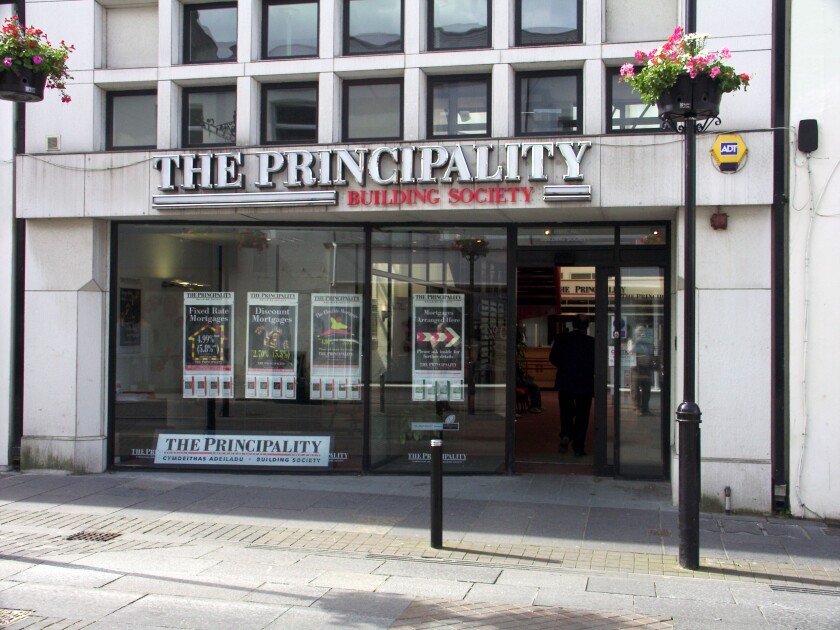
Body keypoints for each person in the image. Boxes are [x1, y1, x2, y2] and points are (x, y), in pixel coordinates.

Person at [549, 314, 595, 456]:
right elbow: (596, 363)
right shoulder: (592, 342)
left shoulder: (561, 339)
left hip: (565, 382)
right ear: (587, 327)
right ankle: (578, 447)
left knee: (566, 411)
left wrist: (564, 367)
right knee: (583, 415)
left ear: (572, 325)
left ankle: (566, 433)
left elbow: (553, 358)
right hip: (584, 383)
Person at [628, 324, 654, 415]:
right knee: (635, 389)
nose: (641, 333)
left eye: (642, 331)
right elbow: (630, 351)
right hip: (636, 368)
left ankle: (645, 408)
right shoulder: (632, 341)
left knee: (646, 389)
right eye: (639, 332)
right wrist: (637, 341)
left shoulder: (648, 342)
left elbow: (651, 352)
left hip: (646, 367)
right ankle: (636, 408)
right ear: (635, 333)